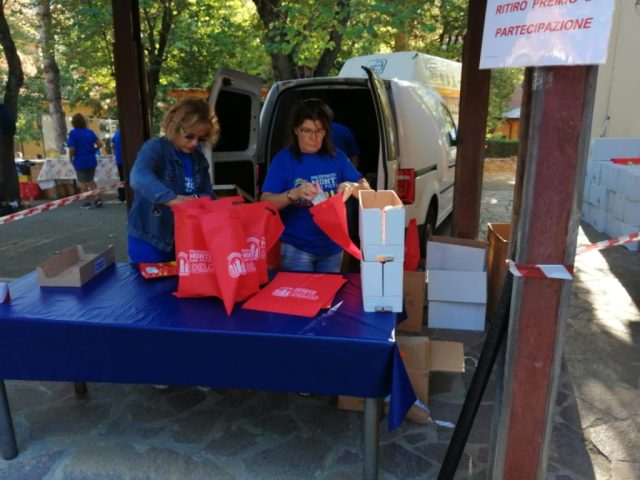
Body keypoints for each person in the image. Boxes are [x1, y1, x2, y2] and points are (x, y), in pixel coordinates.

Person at [261, 98, 370, 273]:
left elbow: (368, 191)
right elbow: (265, 203)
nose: (313, 138)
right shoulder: (283, 160)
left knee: (330, 290)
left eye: (319, 131)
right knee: (302, 291)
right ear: (296, 130)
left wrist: (351, 186)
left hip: (333, 247)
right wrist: (292, 194)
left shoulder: (337, 157)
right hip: (297, 248)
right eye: (307, 131)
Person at [127, 97, 220, 263]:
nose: (195, 143)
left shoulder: (199, 159)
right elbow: (139, 176)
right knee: (148, 281)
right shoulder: (155, 148)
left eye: (201, 139)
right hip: (151, 238)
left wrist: (206, 204)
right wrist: (174, 200)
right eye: (189, 136)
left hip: (184, 240)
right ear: (174, 127)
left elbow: (208, 195)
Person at [67, 113, 104, 208]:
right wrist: (94, 150)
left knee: (82, 182)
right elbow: (100, 144)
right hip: (91, 159)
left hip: (80, 160)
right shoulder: (89, 132)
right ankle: (97, 199)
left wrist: (70, 158)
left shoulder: (73, 133)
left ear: (73, 123)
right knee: (91, 180)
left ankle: (87, 202)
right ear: (84, 122)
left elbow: (72, 148)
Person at [111, 130, 126, 202]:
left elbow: (112, 145)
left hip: (119, 159)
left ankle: (122, 196)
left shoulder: (117, 133)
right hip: (129, 159)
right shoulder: (128, 132)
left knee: (122, 178)